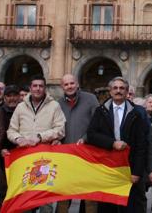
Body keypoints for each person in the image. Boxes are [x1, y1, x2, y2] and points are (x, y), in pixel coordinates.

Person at [87, 76, 147, 213]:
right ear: (110, 91)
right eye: (115, 88)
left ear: (127, 92)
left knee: (131, 206)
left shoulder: (137, 113)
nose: (118, 91)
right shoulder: (100, 111)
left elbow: (141, 145)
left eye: (122, 88)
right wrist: (112, 143)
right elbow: (91, 135)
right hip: (108, 168)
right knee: (108, 206)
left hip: (129, 169)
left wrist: (137, 172)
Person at [56, 74, 99, 213]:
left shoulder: (91, 99)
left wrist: (86, 138)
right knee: (63, 194)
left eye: (72, 83)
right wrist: (56, 139)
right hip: (65, 155)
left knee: (90, 196)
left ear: (77, 84)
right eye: (66, 84)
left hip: (87, 153)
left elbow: (97, 122)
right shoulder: (58, 103)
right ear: (62, 87)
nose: (69, 86)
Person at [7, 75, 66, 148]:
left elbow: (60, 129)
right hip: (23, 151)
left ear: (45, 89)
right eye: (35, 86)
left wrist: (40, 137)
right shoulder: (20, 107)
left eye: (41, 86)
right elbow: (11, 130)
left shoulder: (54, 105)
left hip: (46, 151)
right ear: (30, 88)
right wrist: (18, 139)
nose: (38, 88)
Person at [0, 85, 21, 158]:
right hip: (3, 152)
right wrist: (0, 149)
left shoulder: (24, 111)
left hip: (21, 150)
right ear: (4, 98)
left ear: (19, 97)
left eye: (14, 95)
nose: (12, 98)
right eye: (9, 96)